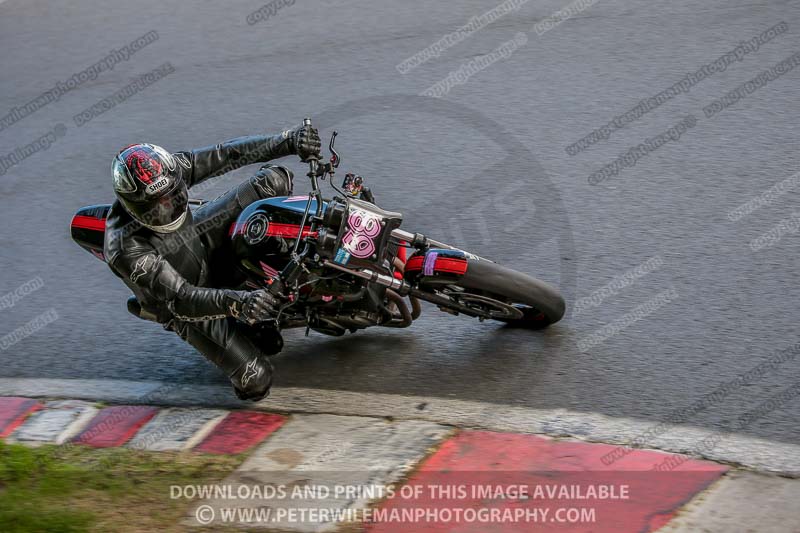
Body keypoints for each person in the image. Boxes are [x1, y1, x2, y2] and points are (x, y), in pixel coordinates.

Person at [104, 122, 321, 401]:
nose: (167, 208)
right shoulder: (125, 248)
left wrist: (289, 141)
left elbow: (227, 154)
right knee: (255, 380)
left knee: (274, 180)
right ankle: (247, 326)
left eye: (173, 196)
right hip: (185, 303)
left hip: (198, 239)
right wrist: (238, 303)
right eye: (155, 206)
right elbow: (183, 297)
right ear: (130, 206)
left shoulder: (172, 169)